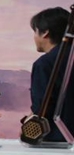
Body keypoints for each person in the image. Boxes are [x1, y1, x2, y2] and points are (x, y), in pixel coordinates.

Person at [29, 7, 74, 142]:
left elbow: (42, 108)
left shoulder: (44, 64)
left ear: (45, 33)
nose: (34, 37)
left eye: (35, 32)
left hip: (60, 138)